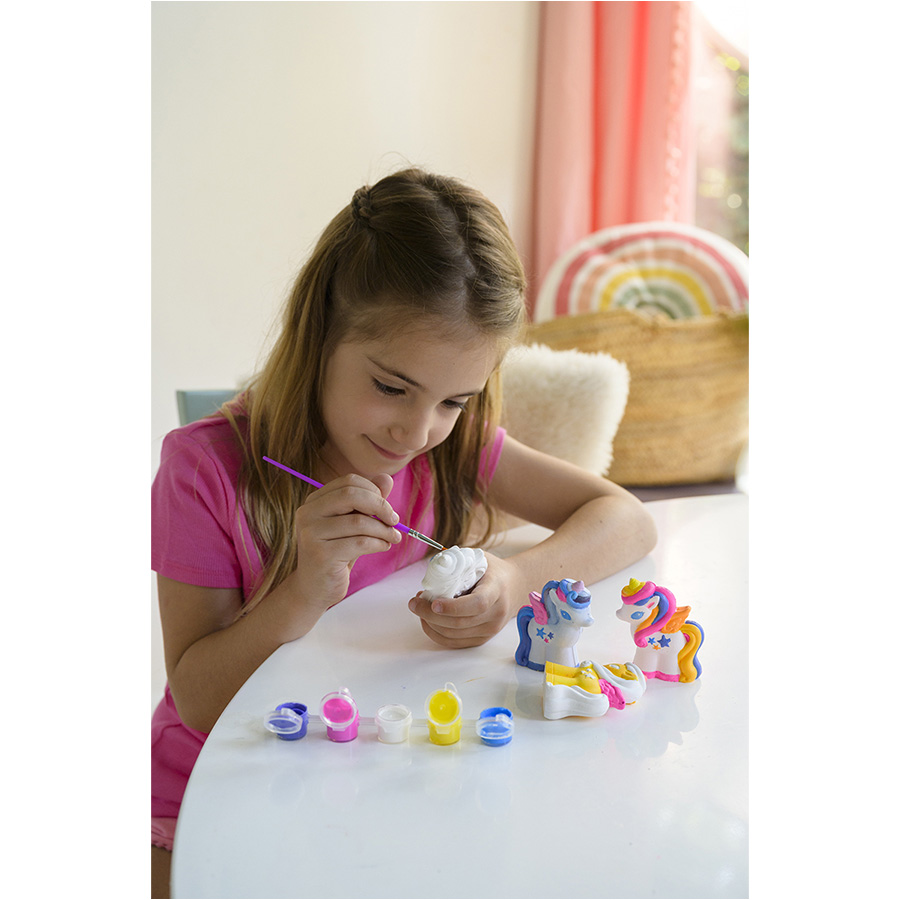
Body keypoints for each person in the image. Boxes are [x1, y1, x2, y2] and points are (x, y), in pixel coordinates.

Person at [150, 167, 656, 896]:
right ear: (319, 336)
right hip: (211, 796)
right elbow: (197, 698)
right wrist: (304, 589)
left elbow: (626, 519)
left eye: (454, 400)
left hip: (374, 778)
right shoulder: (203, 470)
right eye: (392, 387)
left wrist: (517, 579)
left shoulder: (454, 447)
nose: (416, 433)